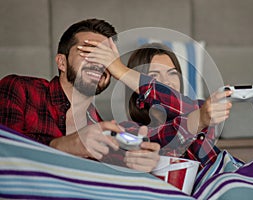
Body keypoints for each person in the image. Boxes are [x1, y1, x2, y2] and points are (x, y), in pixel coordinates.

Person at [0, 18, 160, 172]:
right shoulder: (20, 89)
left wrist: (138, 163)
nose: (98, 63)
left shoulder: (103, 131)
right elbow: (4, 154)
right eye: (88, 52)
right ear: (62, 62)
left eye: (106, 58)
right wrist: (61, 146)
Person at [76, 40, 233, 168]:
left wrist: (120, 69)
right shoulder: (130, 130)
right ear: (136, 89)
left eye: (172, 73)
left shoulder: (200, 109)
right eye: (154, 76)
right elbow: (168, 134)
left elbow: (192, 109)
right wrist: (120, 71)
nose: (167, 82)